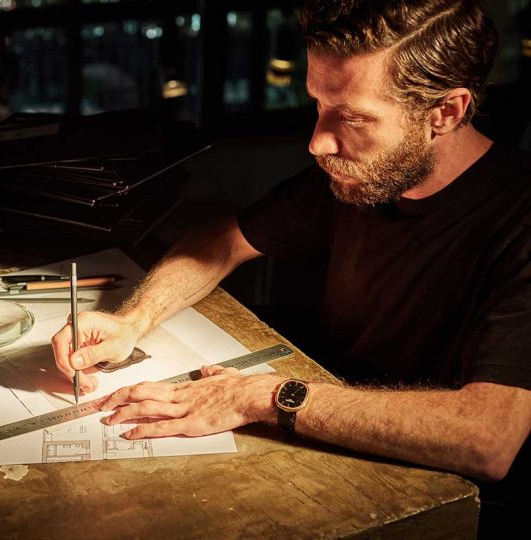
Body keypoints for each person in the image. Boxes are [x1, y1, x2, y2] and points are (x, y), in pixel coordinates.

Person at [51, 0, 530, 532]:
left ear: (445, 112)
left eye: (352, 116)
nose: (318, 142)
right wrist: (131, 321)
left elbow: (489, 438)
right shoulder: (358, 175)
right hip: (327, 438)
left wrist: (261, 396)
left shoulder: (519, 219)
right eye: (318, 104)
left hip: (442, 498)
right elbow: (224, 241)